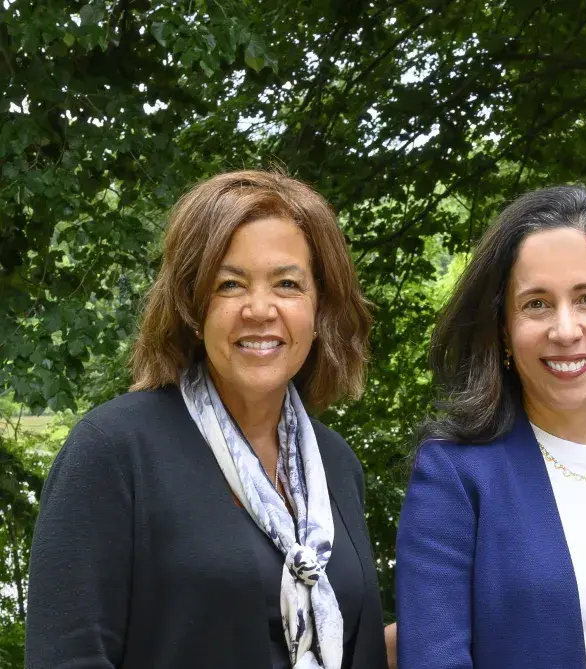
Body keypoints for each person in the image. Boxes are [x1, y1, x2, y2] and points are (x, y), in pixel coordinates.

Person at [25, 170, 389, 669]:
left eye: (287, 284)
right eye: (229, 284)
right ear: (193, 305)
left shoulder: (336, 465)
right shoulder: (115, 450)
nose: (260, 309)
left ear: (318, 305)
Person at [394, 185, 586, 668]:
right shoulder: (453, 475)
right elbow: (433, 657)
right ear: (503, 328)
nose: (564, 330)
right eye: (536, 304)